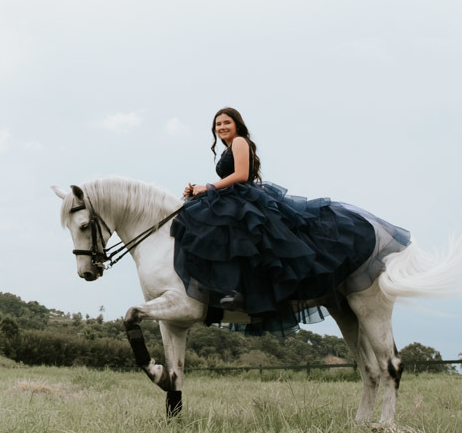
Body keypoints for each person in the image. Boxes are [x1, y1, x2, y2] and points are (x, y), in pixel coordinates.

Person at [170, 107, 411, 334]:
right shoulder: (227, 147)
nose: (221, 127)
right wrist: (198, 190)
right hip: (232, 197)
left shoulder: (240, 142)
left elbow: (241, 175)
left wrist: (208, 187)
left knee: (237, 236)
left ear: (237, 125)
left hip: (244, 198)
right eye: (218, 124)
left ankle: (235, 290)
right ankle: (221, 288)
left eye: (226, 122)